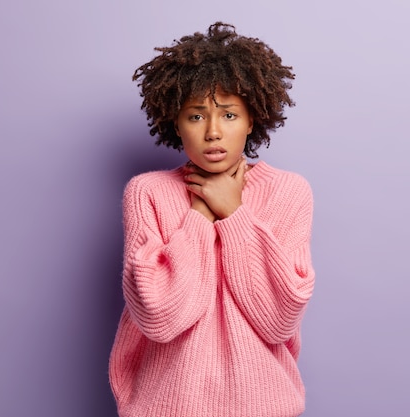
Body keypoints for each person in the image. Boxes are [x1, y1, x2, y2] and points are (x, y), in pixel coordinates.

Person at [109, 21, 315, 417]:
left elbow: (278, 319)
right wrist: (201, 214)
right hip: (166, 406)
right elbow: (159, 316)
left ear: (252, 120)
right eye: (197, 116)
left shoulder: (289, 192)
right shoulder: (147, 192)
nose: (214, 132)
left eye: (229, 115)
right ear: (175, 123)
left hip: (264, 405)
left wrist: (234, 213)